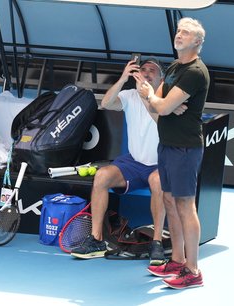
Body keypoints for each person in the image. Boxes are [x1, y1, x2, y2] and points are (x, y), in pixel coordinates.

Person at [70, 58, 171, 265]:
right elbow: (106, 103)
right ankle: (96, 240)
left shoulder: (167, 99)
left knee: (158, 182)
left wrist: (146, 96)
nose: (146, 73)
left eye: (152, 70)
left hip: (161, 163)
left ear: (162, 79)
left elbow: (162, 122)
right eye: (142, 69)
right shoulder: (129, 95)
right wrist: (123, 78)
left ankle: (157, 242)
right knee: (102, 175)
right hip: (134, 162)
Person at [136, 17, 209, 289]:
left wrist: (159, 100)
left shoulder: (195, 72)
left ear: (197, 42)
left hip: (185, 148)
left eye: (186, 33)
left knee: (185, 206)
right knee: (169, 201)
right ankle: (177, 261)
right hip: (166, 144)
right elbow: (159, 105)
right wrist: (157, 100)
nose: (179, 35)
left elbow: (163, 106)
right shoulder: (176, 67)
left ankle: (193, 270)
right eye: (179, 31)